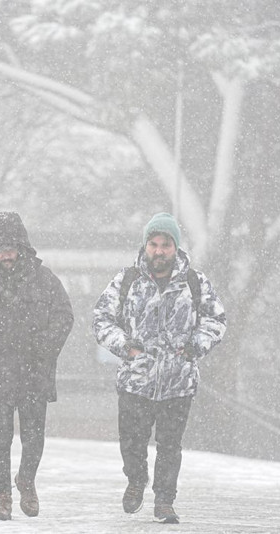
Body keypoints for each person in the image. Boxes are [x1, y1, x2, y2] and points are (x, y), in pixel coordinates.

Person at [92, 212, 226, 524]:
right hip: (135, 380)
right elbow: (101, 318)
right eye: (154, 244)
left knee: (170, 447)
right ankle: (136, 480)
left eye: (166, 244)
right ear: (146, 246)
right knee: (132, 442)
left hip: (178, 381)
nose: (159, 251)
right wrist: (126, 346)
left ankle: (165, 501)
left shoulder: (194, 282)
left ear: (175, 247)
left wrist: (195, 346)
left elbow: (216, 319)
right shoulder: (127, 280)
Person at [0, 212, 74, 521]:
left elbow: (64, 317)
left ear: (22, 247)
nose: (6, 255)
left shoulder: (45, 280)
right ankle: (2, 499)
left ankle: (26, 480)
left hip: (35, 372)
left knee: (33, 437)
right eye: (0, 248)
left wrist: (44, 349)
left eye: (11, 247)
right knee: (0, 439)